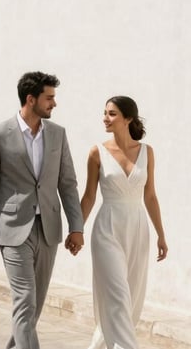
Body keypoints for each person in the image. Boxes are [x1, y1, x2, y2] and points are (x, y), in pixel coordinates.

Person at [0, 71, 85, 349]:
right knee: (25, 300)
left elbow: (67, 183)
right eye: (49, 98)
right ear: (31, 99)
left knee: (33, 309)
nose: (54, 104)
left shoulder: (58, 134)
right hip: (13, 229)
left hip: (48, 229)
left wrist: (77, 227)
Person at [80, 96, 168, 349]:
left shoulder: (147, 152)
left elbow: (150, 196)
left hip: (138, 229)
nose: (105, 118)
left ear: (128, 118)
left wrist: (161, 234)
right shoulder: (97, 152)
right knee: (118, 296)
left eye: (112, 114)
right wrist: (77, 230)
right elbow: (88, 196)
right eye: (105, 113)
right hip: (107, 228)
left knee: (130, 299)